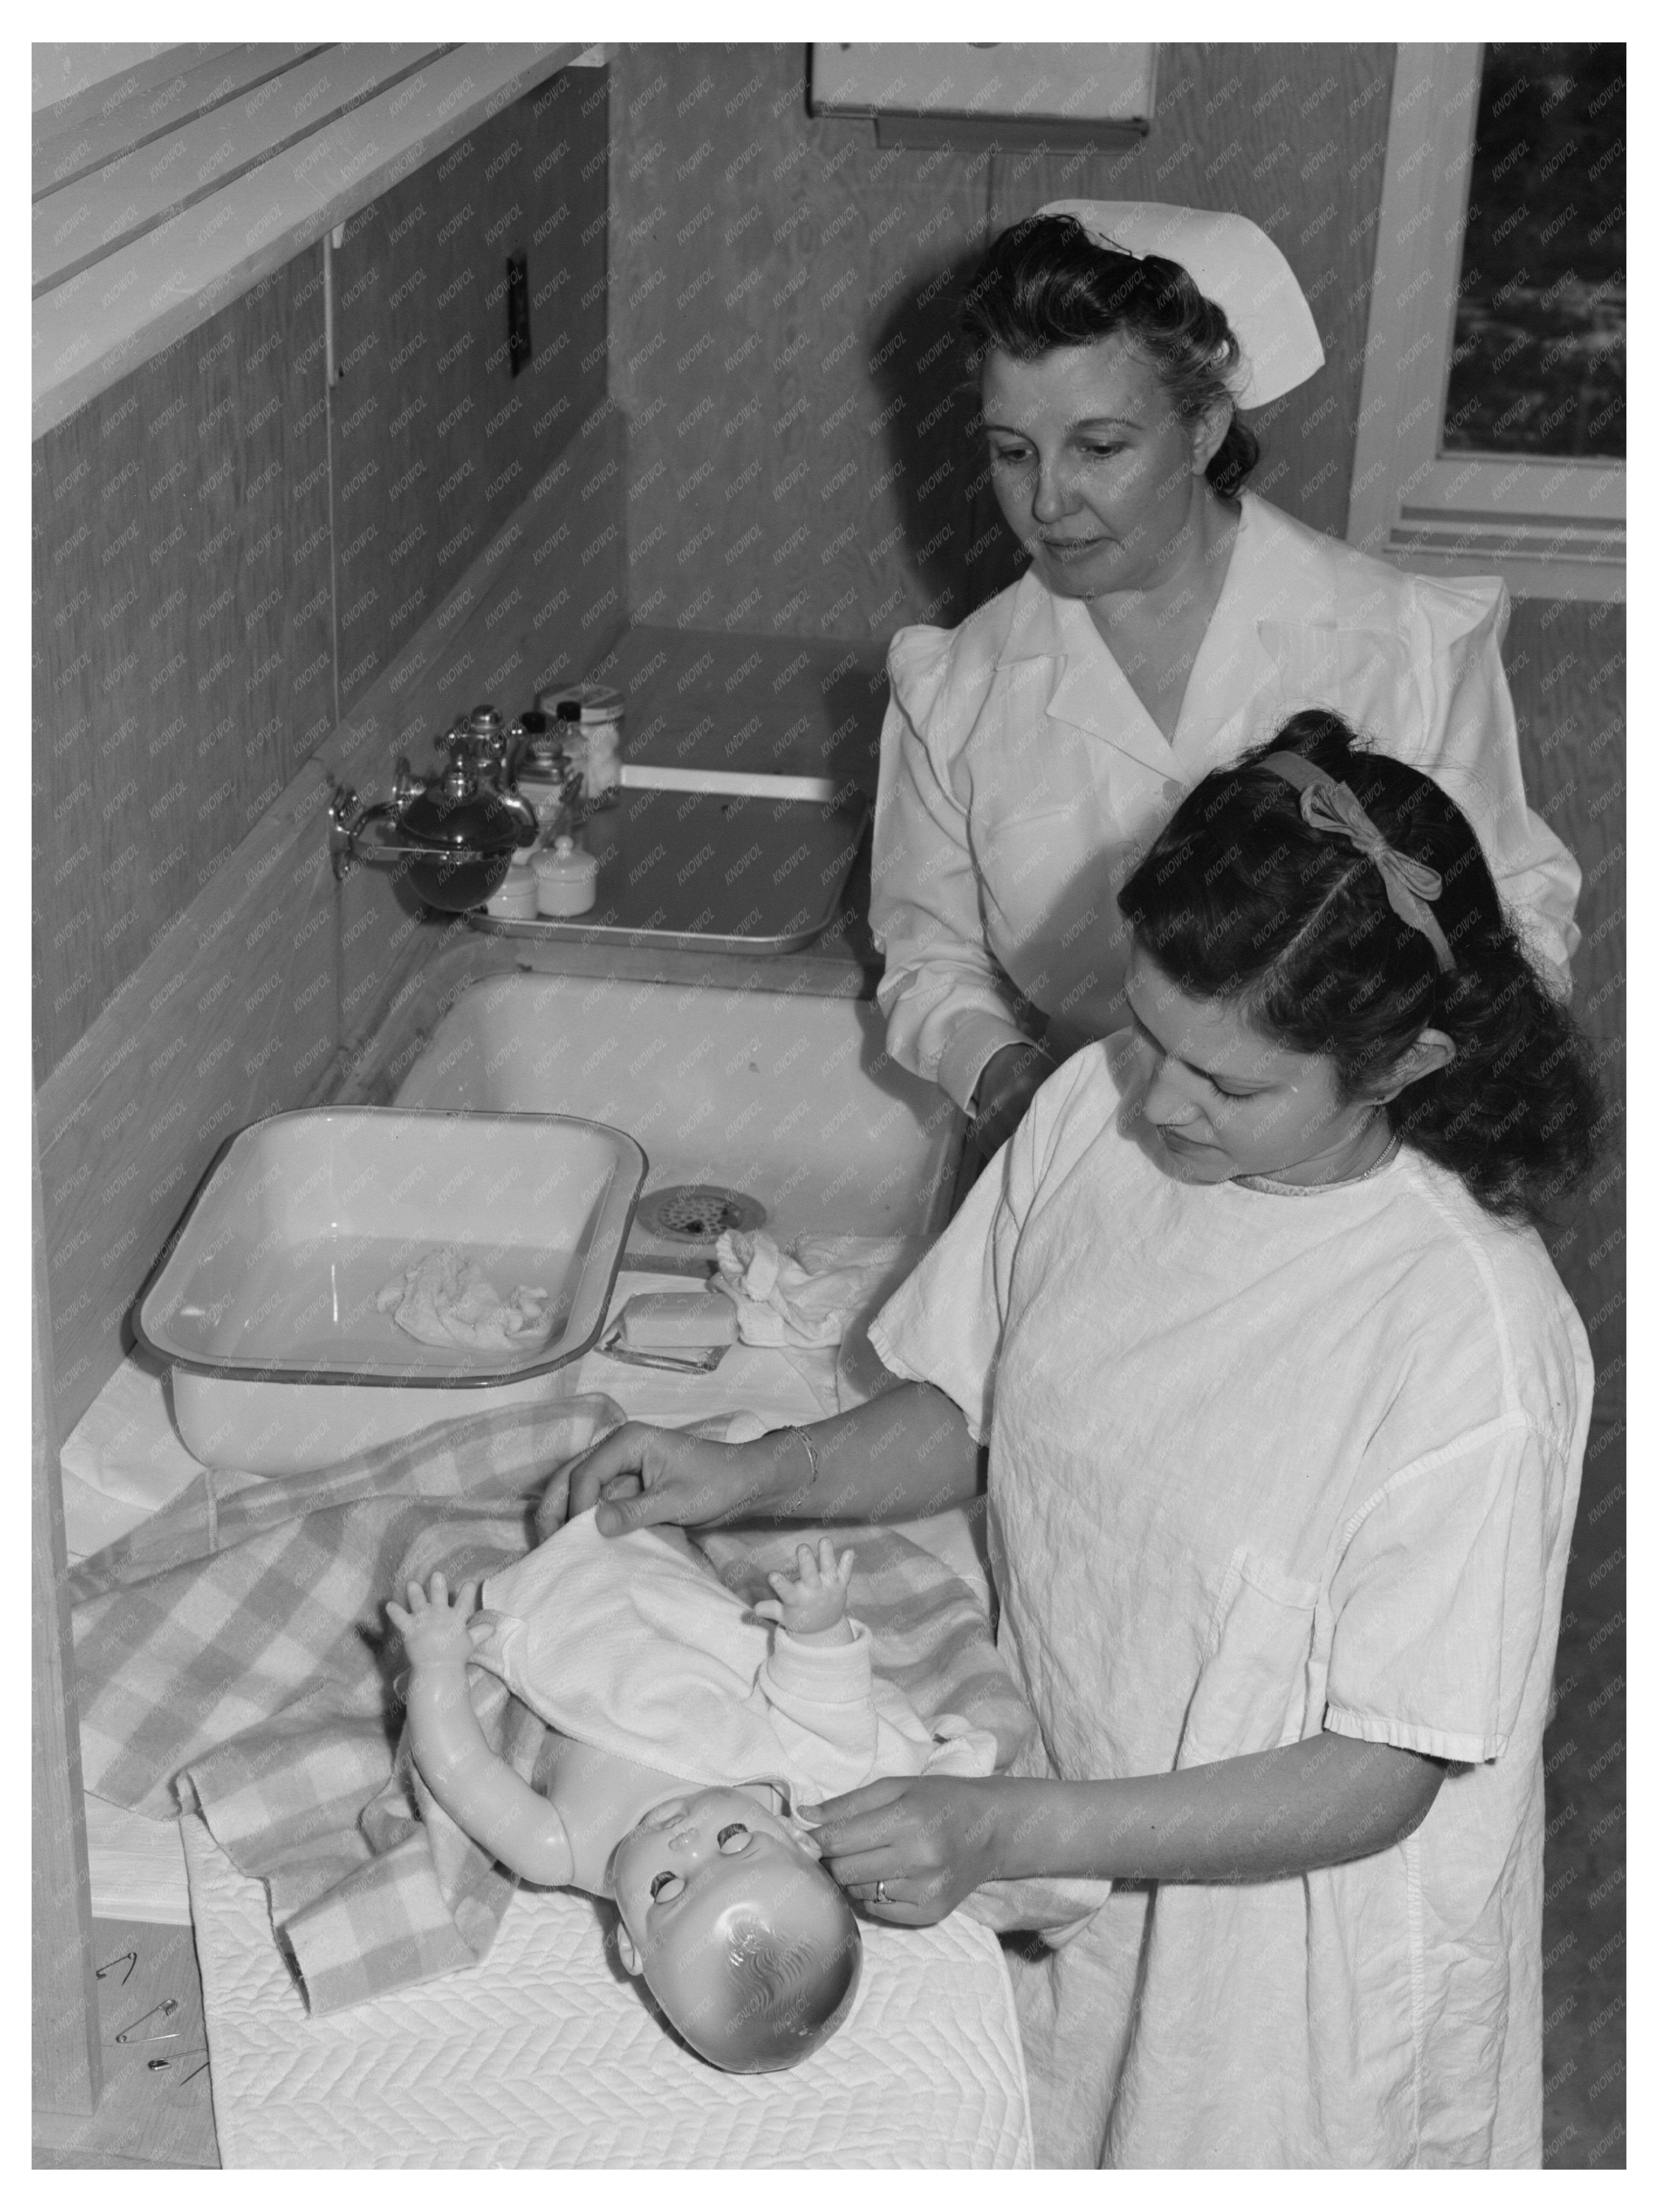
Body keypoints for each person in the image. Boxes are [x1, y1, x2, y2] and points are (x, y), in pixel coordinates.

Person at [555, 712, 1599, 2164]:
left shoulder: (1470, 1346)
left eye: (1230, 1085)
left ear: (1404, 1061)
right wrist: (754, 1476)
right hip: (1062, 1829)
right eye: (1152, 1027)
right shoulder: (1093, 1117)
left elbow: (1383, 1772)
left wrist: (1014, 1831)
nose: (1158, 1104)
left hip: (1284, 1969)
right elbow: (976, 1406)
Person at [871, 201, 1582, 1167]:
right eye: (1011, 451)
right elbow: (929, 959)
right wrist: (1011, 1083)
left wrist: (1367, 1138)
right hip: (1088, 1154)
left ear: (1203, 425)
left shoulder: (1401, 641)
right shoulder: (953, 689)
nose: (1044, 501)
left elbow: (1512, 924)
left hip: (1351, 1176)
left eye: (1099, 448)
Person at [388, 1517, 998, 2072]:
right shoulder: (781, 1777)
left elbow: (460, 1769)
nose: (685, 1841)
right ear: (795, 1839)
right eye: (733, 1841)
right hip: (660, 1585)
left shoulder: (564, 1847)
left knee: (445, 1557)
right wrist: (819, 1626)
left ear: (629, 1942)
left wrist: (438, 1668)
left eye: (666, 1886)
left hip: (558, 1612)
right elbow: (829, 1705)